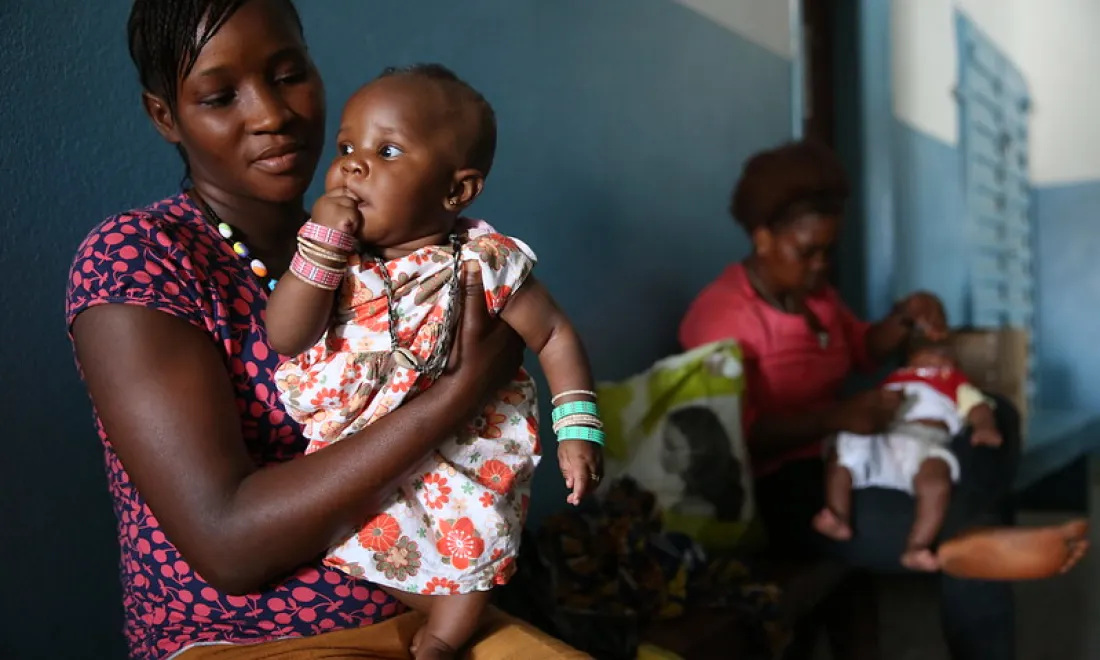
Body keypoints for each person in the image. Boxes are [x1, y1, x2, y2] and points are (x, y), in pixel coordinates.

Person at [66, 1, 587, 658]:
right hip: (247, 638)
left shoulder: (389, 242)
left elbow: (535, 329)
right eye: (221, 96)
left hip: (431, 603)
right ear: (165, 116)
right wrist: (458, 393)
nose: (271, 115)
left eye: (287, 75)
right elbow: (229, 544)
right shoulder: (141, 258)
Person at [678, 140, 1086, 660]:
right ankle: (982, 537)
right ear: (762, 238)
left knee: (993, 412)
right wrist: (834, 417)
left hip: (862, 447)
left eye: (828, 250)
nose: (821, 266)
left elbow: (863, 348)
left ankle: (976, 533)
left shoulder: (817, 298)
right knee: (963, 523)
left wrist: (907, 315)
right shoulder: (721, 315)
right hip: (792, 486)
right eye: (808, 252)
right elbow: (730, 437)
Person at [265, 64, 603, 659]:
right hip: (366, 448)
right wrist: (320, 245)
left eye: (387, 150)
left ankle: (445, 638)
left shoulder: (485, 261)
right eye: (347, 147)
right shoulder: (336, 260)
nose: (352, 163)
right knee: (358, 536)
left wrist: (576, 425)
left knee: (480, 536)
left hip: (466, 453)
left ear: (457, 191)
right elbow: (286, 335)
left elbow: (552, 334)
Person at [815, 338, 1003, 572]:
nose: (936, 358)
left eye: (945, 355)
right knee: (845, 446)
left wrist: (985, 426)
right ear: (908, 361)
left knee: (936, 482)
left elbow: (979, 408)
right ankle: (837, 515)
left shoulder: (955, 383)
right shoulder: (894, 380)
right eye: (928, 352)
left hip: (926, 442)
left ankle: (916, 546)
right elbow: (870, 409)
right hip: (884, 438)